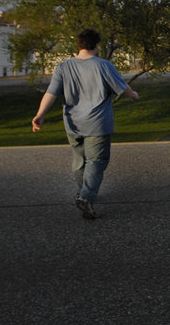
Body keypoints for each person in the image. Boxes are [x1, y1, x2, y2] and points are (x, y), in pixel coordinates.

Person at [32, 28, 139, 219]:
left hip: (73, 124)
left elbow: (51, 93)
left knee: (79, 161)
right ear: (97, 45)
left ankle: (83, 193)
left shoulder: (63, 67)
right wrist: (134, 95)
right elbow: (122, 88)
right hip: (98, 123)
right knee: (96, 161)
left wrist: (40, 114)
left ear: (79, 45)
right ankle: (86, 196)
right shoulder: (103, 66)